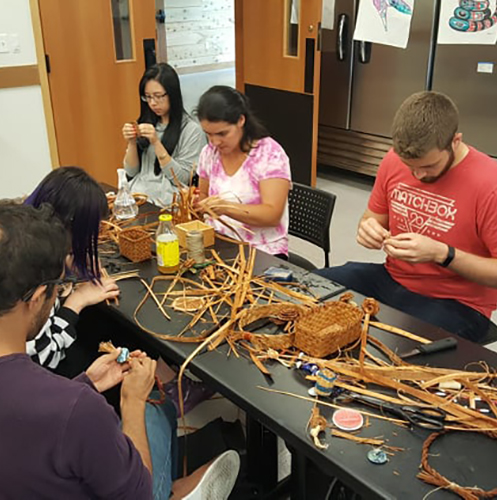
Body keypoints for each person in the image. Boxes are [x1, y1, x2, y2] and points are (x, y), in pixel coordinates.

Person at [0, 202, 240, 499]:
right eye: (56, 288)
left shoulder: (58, 401)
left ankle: (173, 485)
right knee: (157, 404)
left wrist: (85, 384)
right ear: (37, 297)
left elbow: (29, 424)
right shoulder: (77, 410)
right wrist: (131, 401)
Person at [316, 91, 497, 342]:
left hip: (457, 302)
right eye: (410, 166)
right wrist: (368, 229)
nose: (418, 176)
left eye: (428, 166)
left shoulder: (491, 184)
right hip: (391, 278)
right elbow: (372, 218)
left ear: (455, 141)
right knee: (309, 291)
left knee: (390, 351)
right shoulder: (393, 160)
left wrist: (443, 254)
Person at [24, 166, 120, 369]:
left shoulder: (25, 232)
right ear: (70, 225)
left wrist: (67, 265)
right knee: (105, 330)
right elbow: (46, 357)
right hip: (38, 374)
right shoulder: (35, 268)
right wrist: (77, 300)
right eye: (90, 230)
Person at [196, 86, 292, 257]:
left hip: (262, 250)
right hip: (219, 241)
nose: (215, 141)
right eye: (208, 134)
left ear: (241, 120)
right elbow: (202, 194)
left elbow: (272, 215)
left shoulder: (269, 155)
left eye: (222, 133)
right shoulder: (209, 153)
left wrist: (226, 208)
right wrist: (197, 203)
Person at [122, 63, 206, 207]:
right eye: (147, 97)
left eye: (158, 96)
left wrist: (156, 143)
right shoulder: (145, 123)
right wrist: (131, 143)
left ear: (172, 94)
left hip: (167, 206)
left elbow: (182, 180)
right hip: (137, 198)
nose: (153, 103)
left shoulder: (192, 130)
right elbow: (131, 172)